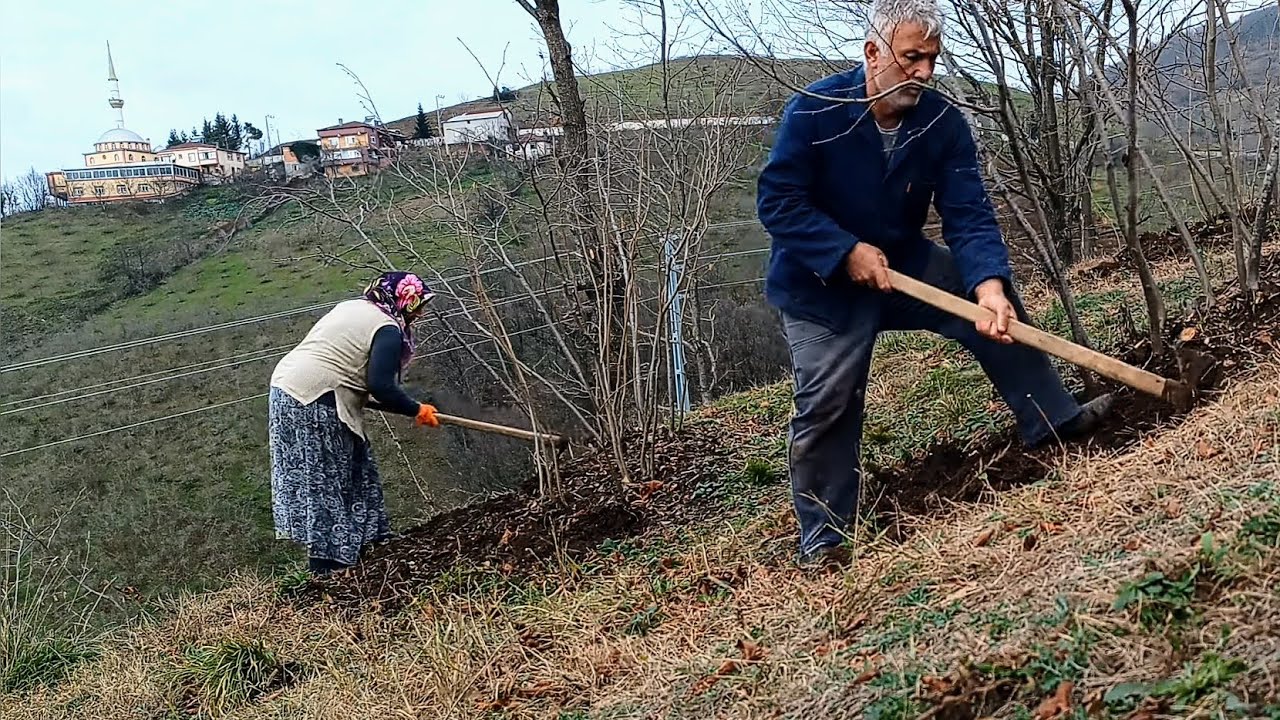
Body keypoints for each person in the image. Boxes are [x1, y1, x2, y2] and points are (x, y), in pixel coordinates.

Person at [756, 0, 1114, 566]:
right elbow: (778, 202)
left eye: (932, 59)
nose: (924, 72)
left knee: (994, 310)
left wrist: (990, 287)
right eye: (912, 57)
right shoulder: (815, 112)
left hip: (903, 266)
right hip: (818, 286)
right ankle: (824, 537)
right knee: (829, 398)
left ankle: (1052, 419)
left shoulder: (941, 122)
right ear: (874, 54)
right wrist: (843, 251)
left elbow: (968, 212)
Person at [267, 270, 441, 576]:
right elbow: (382, 386)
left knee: (355, 467)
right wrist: (417, 410)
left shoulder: (353, 307)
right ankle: (327, 569)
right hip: (314, 399)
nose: (421, 313)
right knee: (325, 481)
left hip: (287, 389)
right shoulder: (387, 328)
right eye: (417, 305)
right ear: (403, 301)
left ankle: (370, 542)